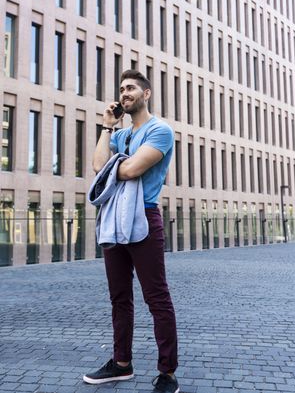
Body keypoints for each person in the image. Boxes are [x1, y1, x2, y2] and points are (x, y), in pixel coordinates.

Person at [83, 70, 179, 393]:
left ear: (146, 93)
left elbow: (134, 168)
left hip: (144, 217)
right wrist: (107, 126)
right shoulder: (119, 135)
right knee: (119, 297)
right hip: (113, 218)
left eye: (131, 88)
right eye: (122, 88)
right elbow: (99, 166)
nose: (124, 93)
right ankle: (121, 364)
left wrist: (115, 166)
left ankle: (167, 373)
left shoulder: (160, 131)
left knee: (157, 298)